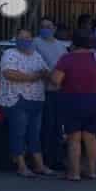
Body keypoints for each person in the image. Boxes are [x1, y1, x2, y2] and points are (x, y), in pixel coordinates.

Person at [50, 30, 96, 181]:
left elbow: (56, 80)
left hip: (73, 100)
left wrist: (48, 74)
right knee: (91, 137)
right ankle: (92, 171)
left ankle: (74, 173)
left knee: (74, 138)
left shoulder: (67, 59)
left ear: (73, 43)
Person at [0, 28, 54, 177]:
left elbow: (46, 72)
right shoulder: (9, 54)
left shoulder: (36, 55)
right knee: (19, 133)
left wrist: (46, 75)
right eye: (22, 38)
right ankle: (21, 166)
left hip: (36, 100)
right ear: (16, 39)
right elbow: (9, 73)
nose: (26, 41)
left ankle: (39, 165)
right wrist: (32, 77)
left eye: (28, 38)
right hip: (17, 100)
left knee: (34, 134)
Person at [33, 17, 68, 171]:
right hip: (43, 91)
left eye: (48, 26)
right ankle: (45, 159)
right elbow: (35, 66)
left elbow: (67, 66)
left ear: (54, 28)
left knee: (57, 127)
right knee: (46, 126)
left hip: (59, 91)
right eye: (42, 26)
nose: (45, 29)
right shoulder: (35, 43)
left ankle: (58, 159)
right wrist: (50, 77)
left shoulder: (61, 46)